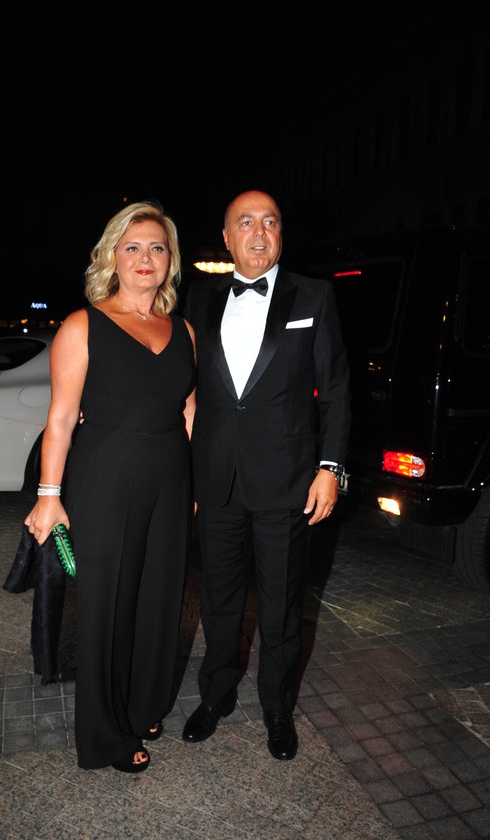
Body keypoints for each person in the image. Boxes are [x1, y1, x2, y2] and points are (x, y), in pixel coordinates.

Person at [25, 200, 196, 774]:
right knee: (107, 607)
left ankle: (143, 705)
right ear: (112, 258)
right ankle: (104, 736)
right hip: (104, 482)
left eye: (157, 247)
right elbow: (59, 418)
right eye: (133, 247)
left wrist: (193, 483)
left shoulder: (183, 330)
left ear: (169, 259)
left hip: (171, 484)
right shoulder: (83, 325)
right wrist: (49, 496)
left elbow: (188, 411)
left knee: (159, 600)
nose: (146, 257)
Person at [182, 190, 350, 761]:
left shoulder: (314, 295)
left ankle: (277, 707)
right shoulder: (199, 299)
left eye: (270, 222)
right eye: (246, 222)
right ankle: (217, 694)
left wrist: (330, 469)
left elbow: (337, 391)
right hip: (216, 481)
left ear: (281, 233)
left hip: (287, 482)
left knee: (280, 605)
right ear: (226, 238)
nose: (259, 233)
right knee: (219, 600)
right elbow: (179, 380)